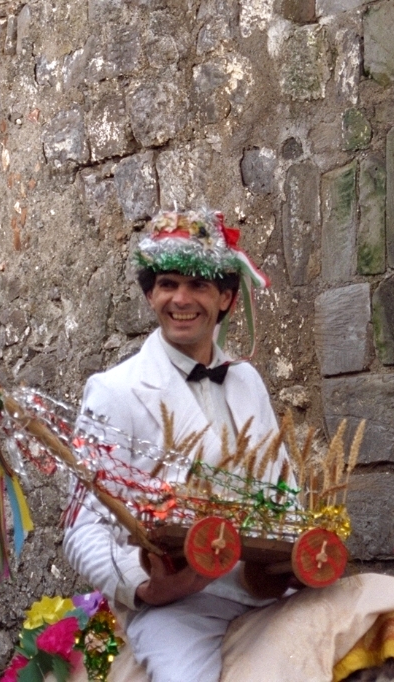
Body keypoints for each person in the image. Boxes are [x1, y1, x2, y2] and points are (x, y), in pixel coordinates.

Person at [61, 209, 282, 682]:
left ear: (227, 298)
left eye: (198, 285)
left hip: (263, 590)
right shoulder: (113, 390)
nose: (181, 299)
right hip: (179, 606)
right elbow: (81, 532)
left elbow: (285, 492)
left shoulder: (249, 381)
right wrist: (146, 588)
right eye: (167, 284)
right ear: (150, 295)